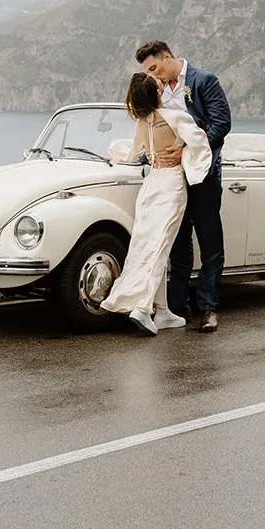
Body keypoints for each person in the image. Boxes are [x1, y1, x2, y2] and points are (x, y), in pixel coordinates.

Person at [99, 72, 211, 336]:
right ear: (157, 93)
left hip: (151, 185)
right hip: (171, 183)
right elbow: (201, 142)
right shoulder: (174, 116)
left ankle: (162, 311)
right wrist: (187, 154)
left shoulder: (142, 123)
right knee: (161, 245)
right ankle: (142, 307)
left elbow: (132, 153)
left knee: (144, 245)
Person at [135, 40, 231, 333]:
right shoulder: (158, 90)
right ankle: (177, 307)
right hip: (171, 180)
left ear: (167, 57)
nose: (152, 75)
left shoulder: (204, 80)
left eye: (154, 67)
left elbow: (221, 124)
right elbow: (153, 127)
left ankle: (209, 308)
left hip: (202, 174)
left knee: (209, 239)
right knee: (177, 242)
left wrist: (187, 150)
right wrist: (149, 154)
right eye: (147, 72)